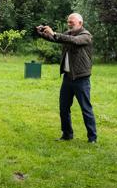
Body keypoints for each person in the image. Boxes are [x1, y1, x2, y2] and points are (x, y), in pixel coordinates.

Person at [36, 13, 97, 143]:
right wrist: (42, 33)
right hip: (68, 78)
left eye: (72, 22)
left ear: (80, 23)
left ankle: (92, 137)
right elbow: (56, 39)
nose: (69, 24)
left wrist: (55, 33)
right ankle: (67, 134)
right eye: (68, 22)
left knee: (86, 109)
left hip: (81, 79)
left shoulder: (86, 36)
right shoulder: (68, 34)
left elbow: (73, 41)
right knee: (63, 108)